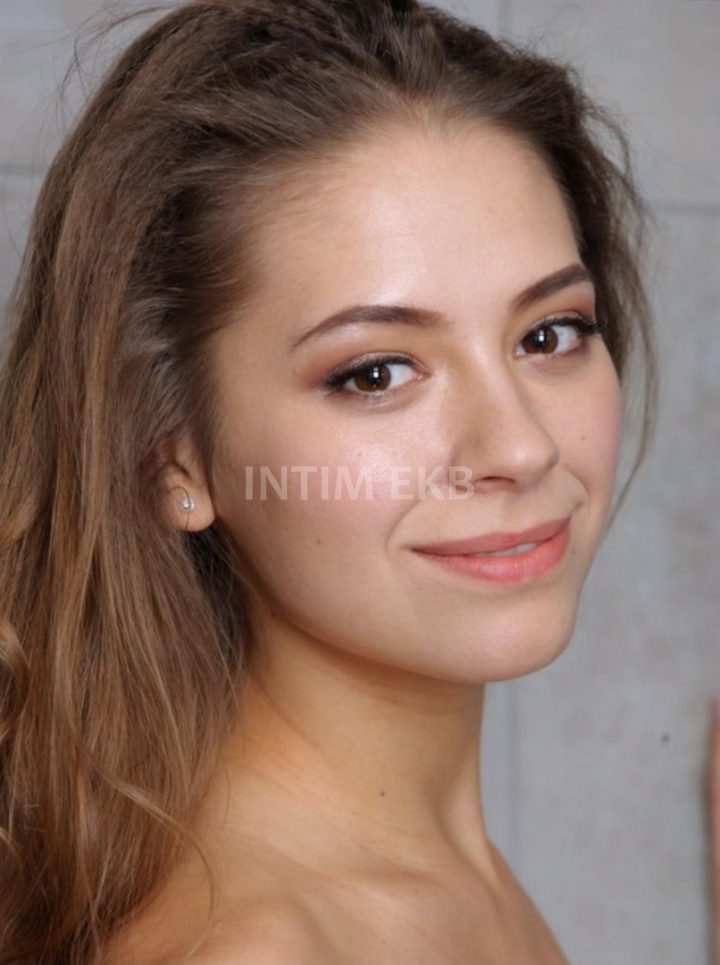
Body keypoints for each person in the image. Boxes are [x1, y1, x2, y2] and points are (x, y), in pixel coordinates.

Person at [0, 1, 661, 962]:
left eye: (548, 333)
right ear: (174, 454)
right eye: (376, 372)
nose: (521, 447)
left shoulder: (440, 881)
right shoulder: (261, 945)